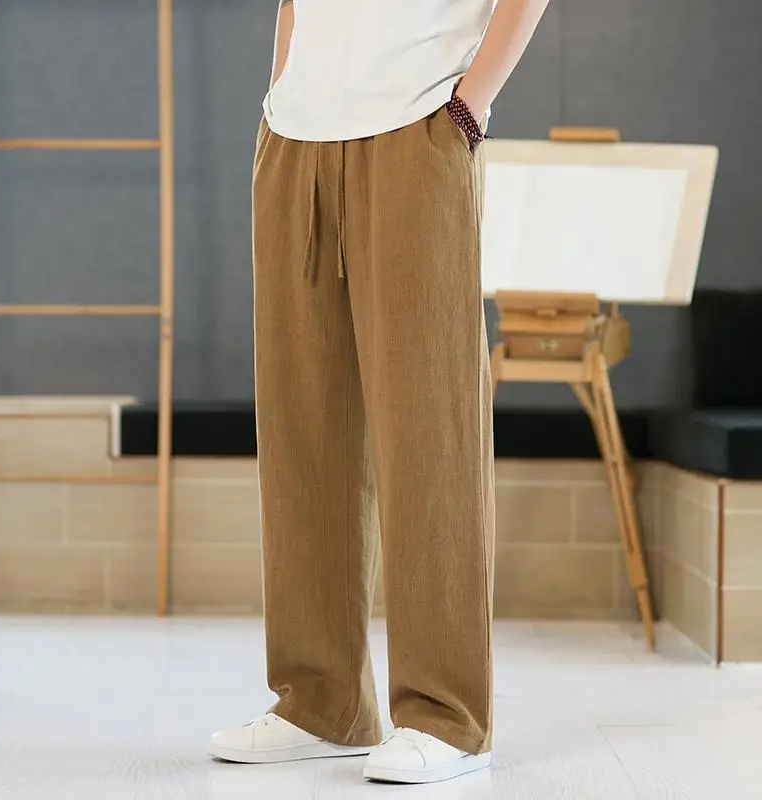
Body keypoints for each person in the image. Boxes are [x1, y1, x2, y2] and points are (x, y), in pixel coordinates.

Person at [210, 0, 550, 785]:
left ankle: (447, 716)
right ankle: (320, 704)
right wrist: (282, 91)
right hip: (294, 136)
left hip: (417, 126)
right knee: (301, 430)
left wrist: (471, 102)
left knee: (429, 428)